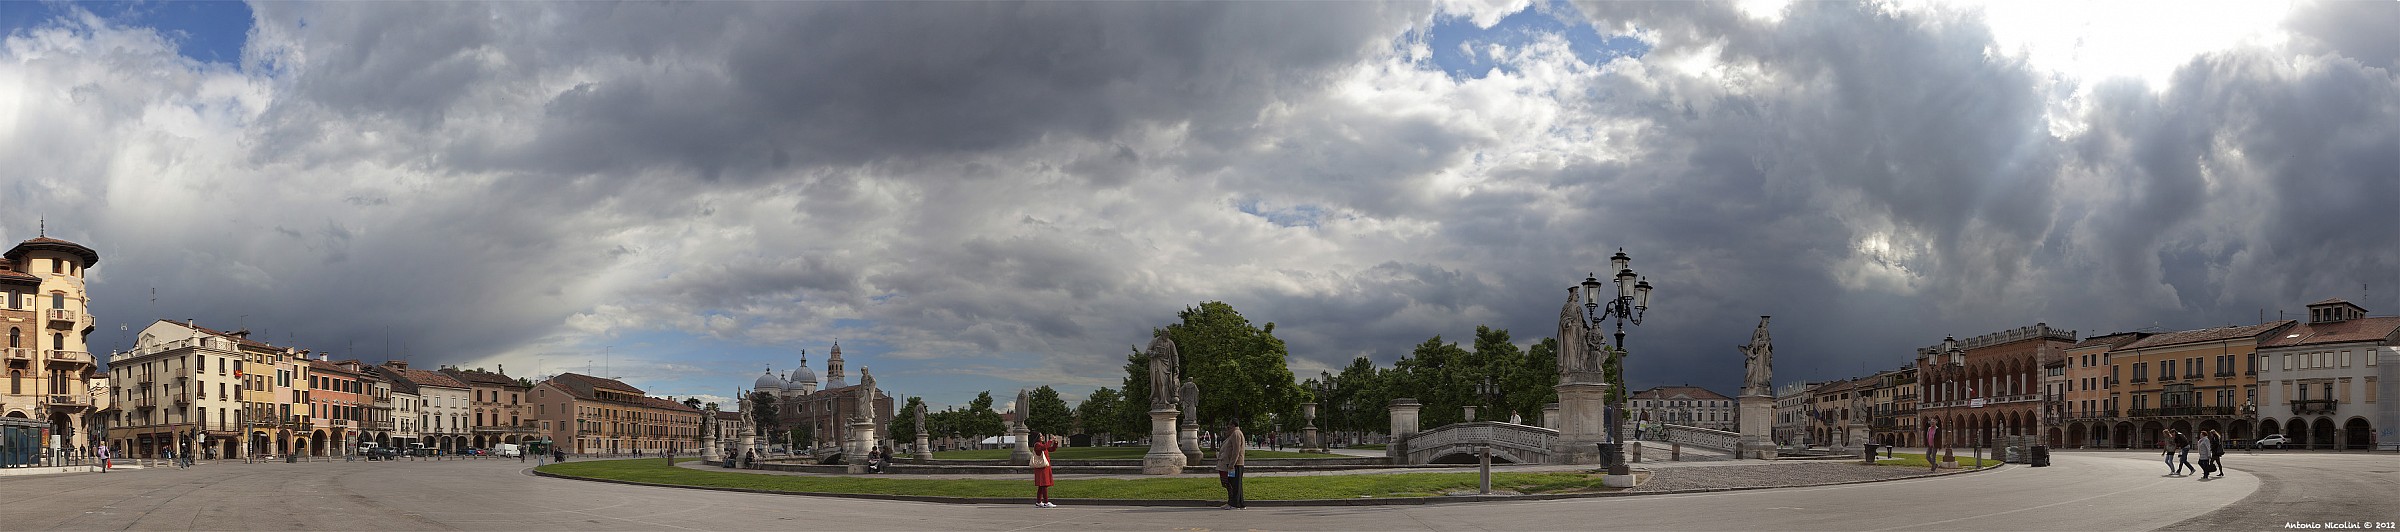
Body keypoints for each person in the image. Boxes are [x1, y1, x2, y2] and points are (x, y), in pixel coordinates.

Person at [1217, 422, 1246, 510]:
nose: (1228, 427)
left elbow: (1236, 450)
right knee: (1237, 484)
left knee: (1234, 484)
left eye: (1229, 425)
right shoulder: (1236, 433)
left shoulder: (1236, 434)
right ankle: (1239, 503)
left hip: (1235, 464)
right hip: (1236, 463)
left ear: (1233, 425)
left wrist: (1231, 464)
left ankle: (1234, 503)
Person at [1030, 431, 1058, 508]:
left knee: (1041, 485)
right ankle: (1046, 501)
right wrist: (1050, 441)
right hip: (1041, 467)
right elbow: (1044, 447)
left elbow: (1051, 449)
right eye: (1041, 436)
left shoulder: (1041, 444)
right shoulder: (1037, 445)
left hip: (1045, 466)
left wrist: (1055, 443)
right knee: (1044, 484)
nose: (1042, 437)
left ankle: (1039, 501)